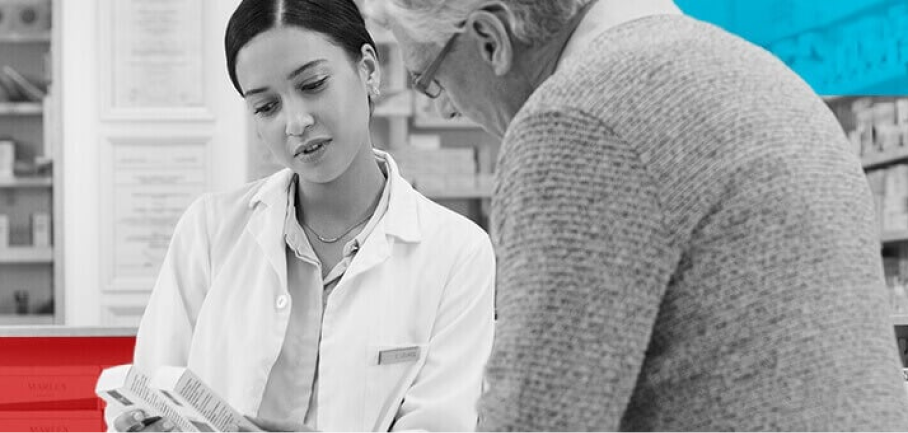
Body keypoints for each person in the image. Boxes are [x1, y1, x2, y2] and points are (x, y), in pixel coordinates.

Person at [364, 0, 908, 430]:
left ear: (491, 38)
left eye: (429, 78)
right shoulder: (760, 72)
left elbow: (540, 417)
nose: (445, 107)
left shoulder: (575, 120)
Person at [106, 0, 495, 432]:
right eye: (266, 107)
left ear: (368, 69)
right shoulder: (209, 231)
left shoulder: (458, 252)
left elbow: (440, 424)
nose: (296, 122)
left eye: (312, 84)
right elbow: (153, 389)